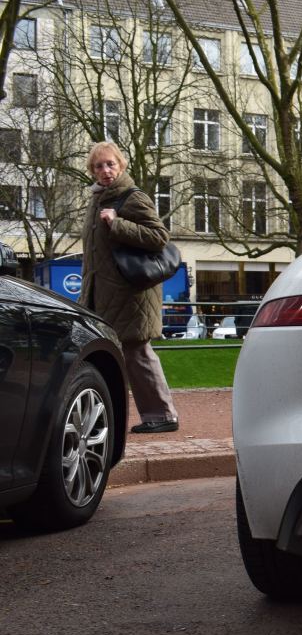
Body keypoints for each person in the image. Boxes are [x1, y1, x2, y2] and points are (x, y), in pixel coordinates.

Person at [79, 141, 179, 433]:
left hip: (130, 294)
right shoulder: (97, 200)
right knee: (110, 354)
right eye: (99, 166)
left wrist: (118, 223)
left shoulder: (132, 197)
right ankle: (105, 417)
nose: (106, 170)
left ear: (121, 165)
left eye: (110, 164)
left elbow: (158, 236)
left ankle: (162, 415)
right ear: (93, 171)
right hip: (103, 293)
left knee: (137, 353)